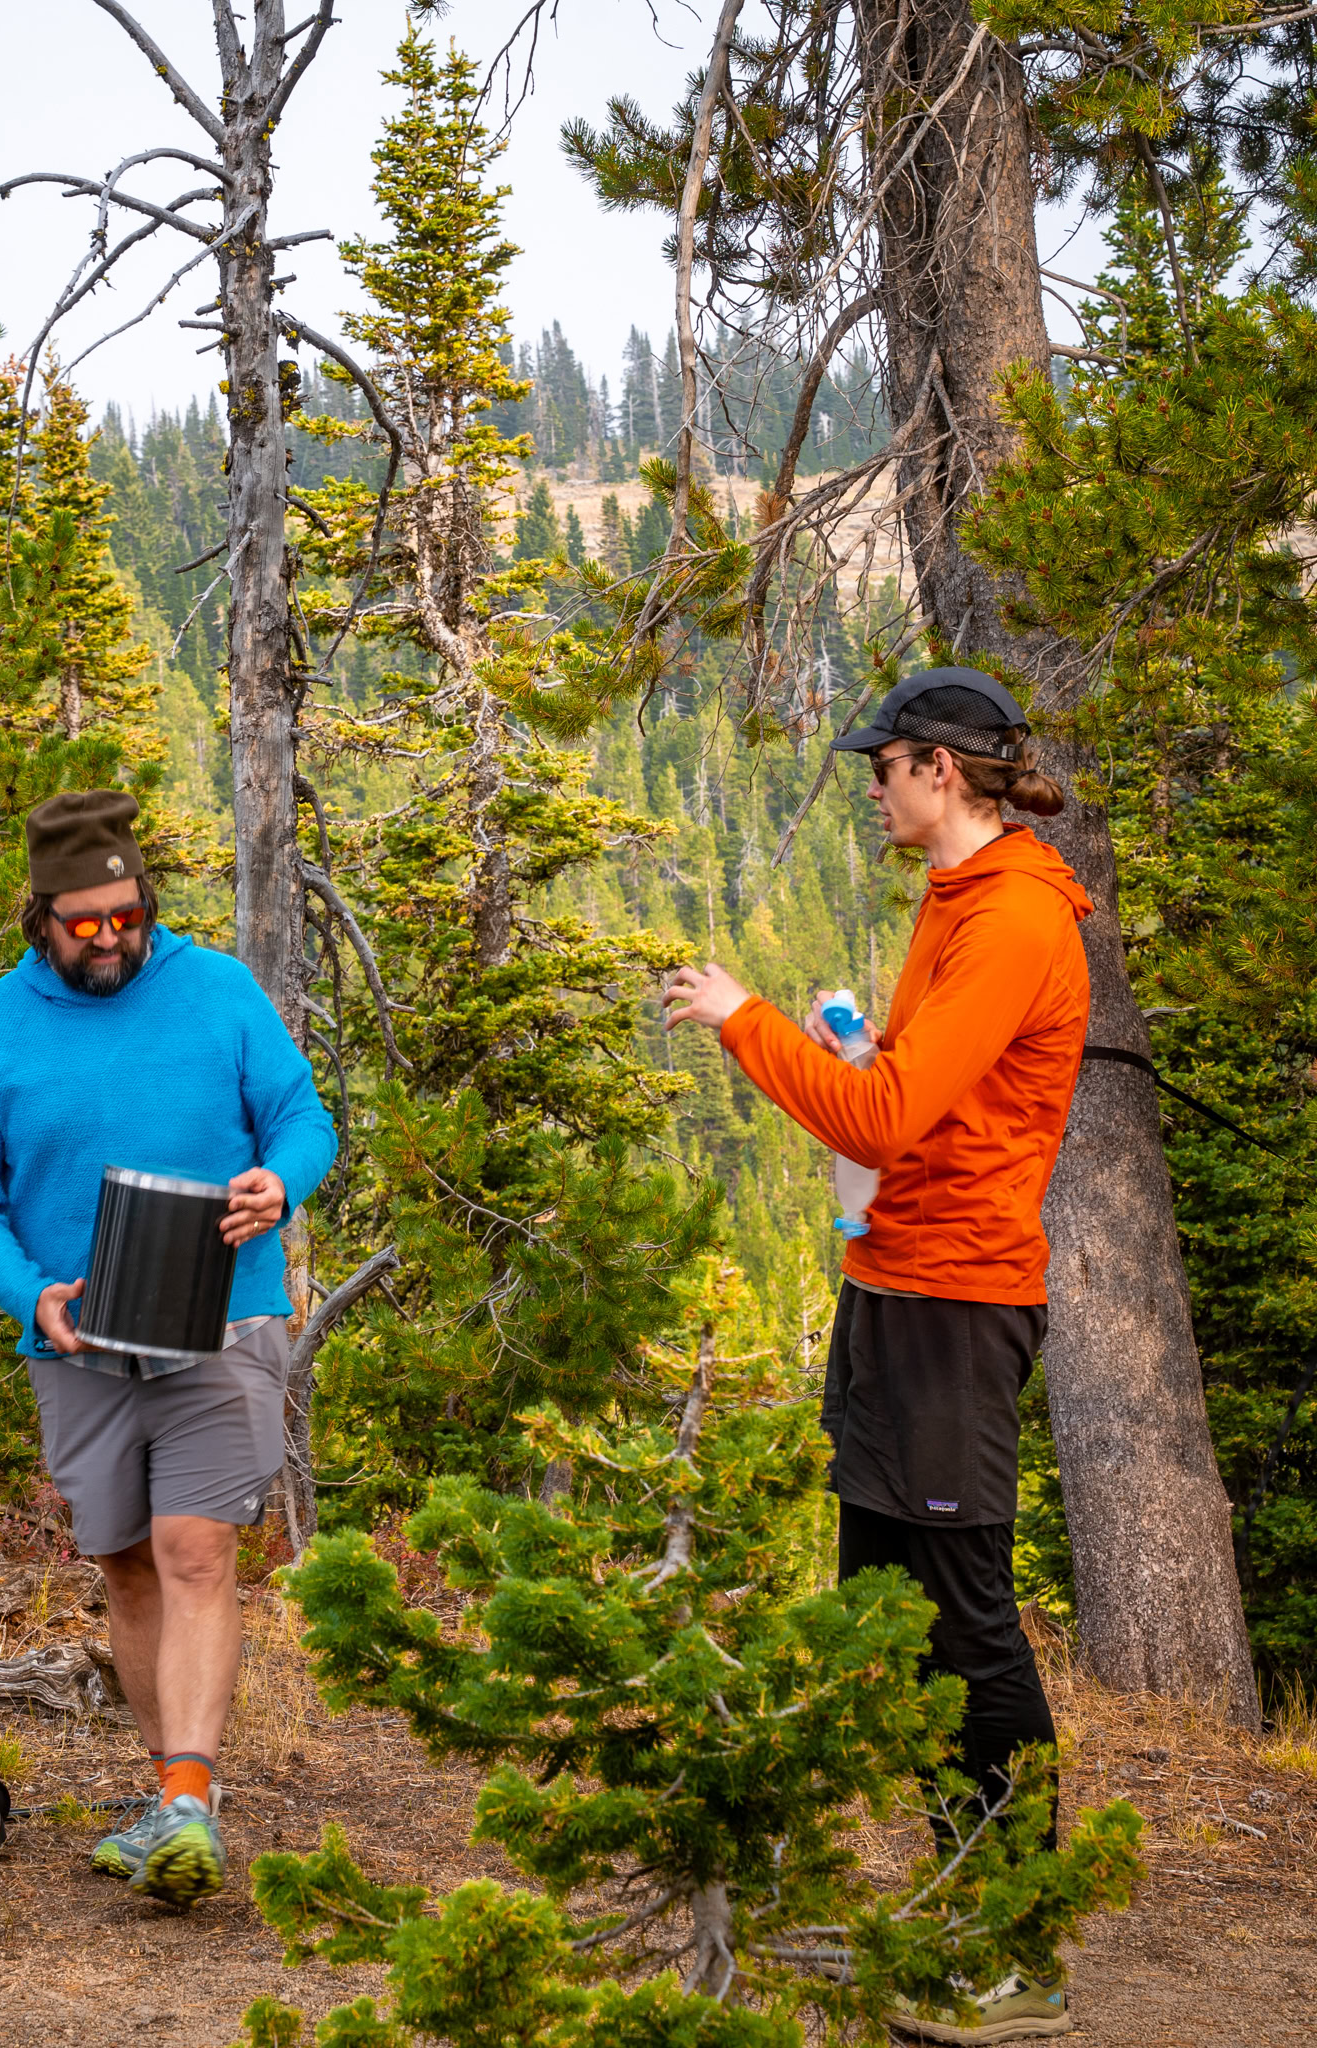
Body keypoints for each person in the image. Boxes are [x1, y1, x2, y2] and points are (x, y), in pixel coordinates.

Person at [664, 668, 1090, 2045]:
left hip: (960, 1303)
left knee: (962, 1614)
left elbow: (891, 1116)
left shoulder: (1017, 918)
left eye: (884, 764)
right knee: (890, 1606)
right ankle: (960, 1910)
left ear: (942, 772)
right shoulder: (962, 904)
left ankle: (1023, 1953)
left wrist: (748, 1021)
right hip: (897, 1283)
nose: (871, 785)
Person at [0, 789, 337, 1909]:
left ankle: (193, 1802)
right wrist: (30, 1294)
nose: (109, 938)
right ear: (39, 917)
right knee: (121, 1559)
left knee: (195, 1550)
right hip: (76, 1337)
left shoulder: (217, 990)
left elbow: (303, 1118)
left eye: (124, 915)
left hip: (224, 1317)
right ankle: (167, 1794)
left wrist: (278, 1183)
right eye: (84, 921)